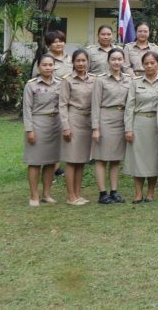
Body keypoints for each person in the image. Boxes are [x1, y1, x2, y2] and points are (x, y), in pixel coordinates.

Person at [23, 54, 63, 207]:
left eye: (50, 64)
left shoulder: (60, 84)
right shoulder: (31, 85)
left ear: (54, 66)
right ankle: (34, 195)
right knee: (34, 162)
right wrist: (29, 130)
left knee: (51, 162)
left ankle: (46, 194)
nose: (48, 67)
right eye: (44, 65)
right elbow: (26, 109)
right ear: (38, 67)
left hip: (55, 124)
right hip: (38, 124)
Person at [91, 47, 129, 204]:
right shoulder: (101, 80)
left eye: (119, 59)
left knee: (115, 159)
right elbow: (95, 104)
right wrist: (96, 128)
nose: (116, 62)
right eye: (113, 59)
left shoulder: (128, 80)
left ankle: (114, 191)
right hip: (105, 119)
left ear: (124, 61)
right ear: (108, 61)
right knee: (101, 159)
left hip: (121, 120)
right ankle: (102, 193)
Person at [123, 50, 158, 203]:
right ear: (142, 65)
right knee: (137, 159)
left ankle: (150, 193)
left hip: (156, 125)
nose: (149, 66)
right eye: (146, 63)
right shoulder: (135, 83)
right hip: (138, 123)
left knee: (153, 160)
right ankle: (138, 193)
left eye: (152, 63)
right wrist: (128, 129)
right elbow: (129, 107)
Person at [60, 49, 96, 206]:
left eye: (84, 60)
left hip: (88, 122)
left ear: (88, 62)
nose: (81, 64)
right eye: (78, 61)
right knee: (71, 160)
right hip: (74, 119)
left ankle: (78, 193)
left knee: (81, 160)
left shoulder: (94, 80)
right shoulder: (67, 81)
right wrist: (66, 127)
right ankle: (70, 196)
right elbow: (62, 105)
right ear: (73, 63)